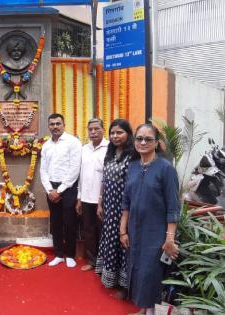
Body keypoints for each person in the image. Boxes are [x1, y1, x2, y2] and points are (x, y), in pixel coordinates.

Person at [120, 124, 180, 315]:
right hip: (135, 231)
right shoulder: (133, 167)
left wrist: (169, 239)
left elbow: (173, 207)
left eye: (148, 139)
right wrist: (123, 230)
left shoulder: (166, 169)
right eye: (139, 138)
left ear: (157, 143)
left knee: (150, 273)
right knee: (137, 271)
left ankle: (151, 312)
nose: (143, 142)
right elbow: (126, 202)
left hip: (155, 233)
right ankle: (145, 309)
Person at [95, 119, 134, 298]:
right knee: (110, 238)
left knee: (123, 240)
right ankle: (111, 277)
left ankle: (125, 284)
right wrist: (100, 202)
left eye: (119, 133)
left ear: (128, 134)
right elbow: (104, 180)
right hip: (109, 204)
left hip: (125, 206)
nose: (115, 136)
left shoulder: (132, 155)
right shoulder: (110, 153)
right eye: (113, 133)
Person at [40, 113, 82, 268]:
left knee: (69, 222)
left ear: (64, 125)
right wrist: (50, 189)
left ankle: (70, 254)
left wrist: (60, 190)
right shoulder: (46, 145)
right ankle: (58, 254)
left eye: (58, 123)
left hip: (68, 187)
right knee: (55, 222)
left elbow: (74, 169)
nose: (55, 126)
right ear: (49, 126)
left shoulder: (73, 142)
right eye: (52, 124)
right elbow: (43, 170)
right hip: (51, 188)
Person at [76, 118, 109, 272]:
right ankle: (92, 260)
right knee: (88, 231)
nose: (93, 132)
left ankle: (104, 263)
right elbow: (80, 176)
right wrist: (79, 198)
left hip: (104, 199)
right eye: (91, 129)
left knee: (103, 230)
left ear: (103, 129)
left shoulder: (110, 148)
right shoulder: (84, 149)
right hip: (86, 198)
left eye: (97, 129)